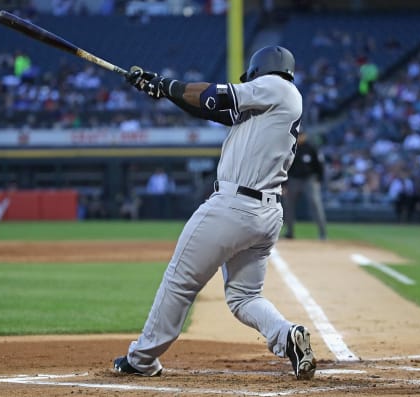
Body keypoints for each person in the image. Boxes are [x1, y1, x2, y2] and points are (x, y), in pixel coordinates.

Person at [113, 46, 316, 380]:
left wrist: (165, 84)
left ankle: (142, 359)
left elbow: (215, 95)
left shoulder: (277, 86)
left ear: (260, 69)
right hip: (265, 214)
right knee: (244, 296)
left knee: (179, 281)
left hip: (234, 207)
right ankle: (286, 335)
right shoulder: (271, 106)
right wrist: (161, 91)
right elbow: (210, 109)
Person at [283, 131, 327, 240]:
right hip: (293, 180)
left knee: (316, 204)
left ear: (305, 136)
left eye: (301, 135)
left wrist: (319, 179)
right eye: (298, 135)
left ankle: (322, 233)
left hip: (309, 180)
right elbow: (285, 167)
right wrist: (284, 184)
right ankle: (290, 232)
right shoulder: (291, 148)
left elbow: (319, 164)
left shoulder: (311, 148)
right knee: (288, 206)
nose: (300, 137)